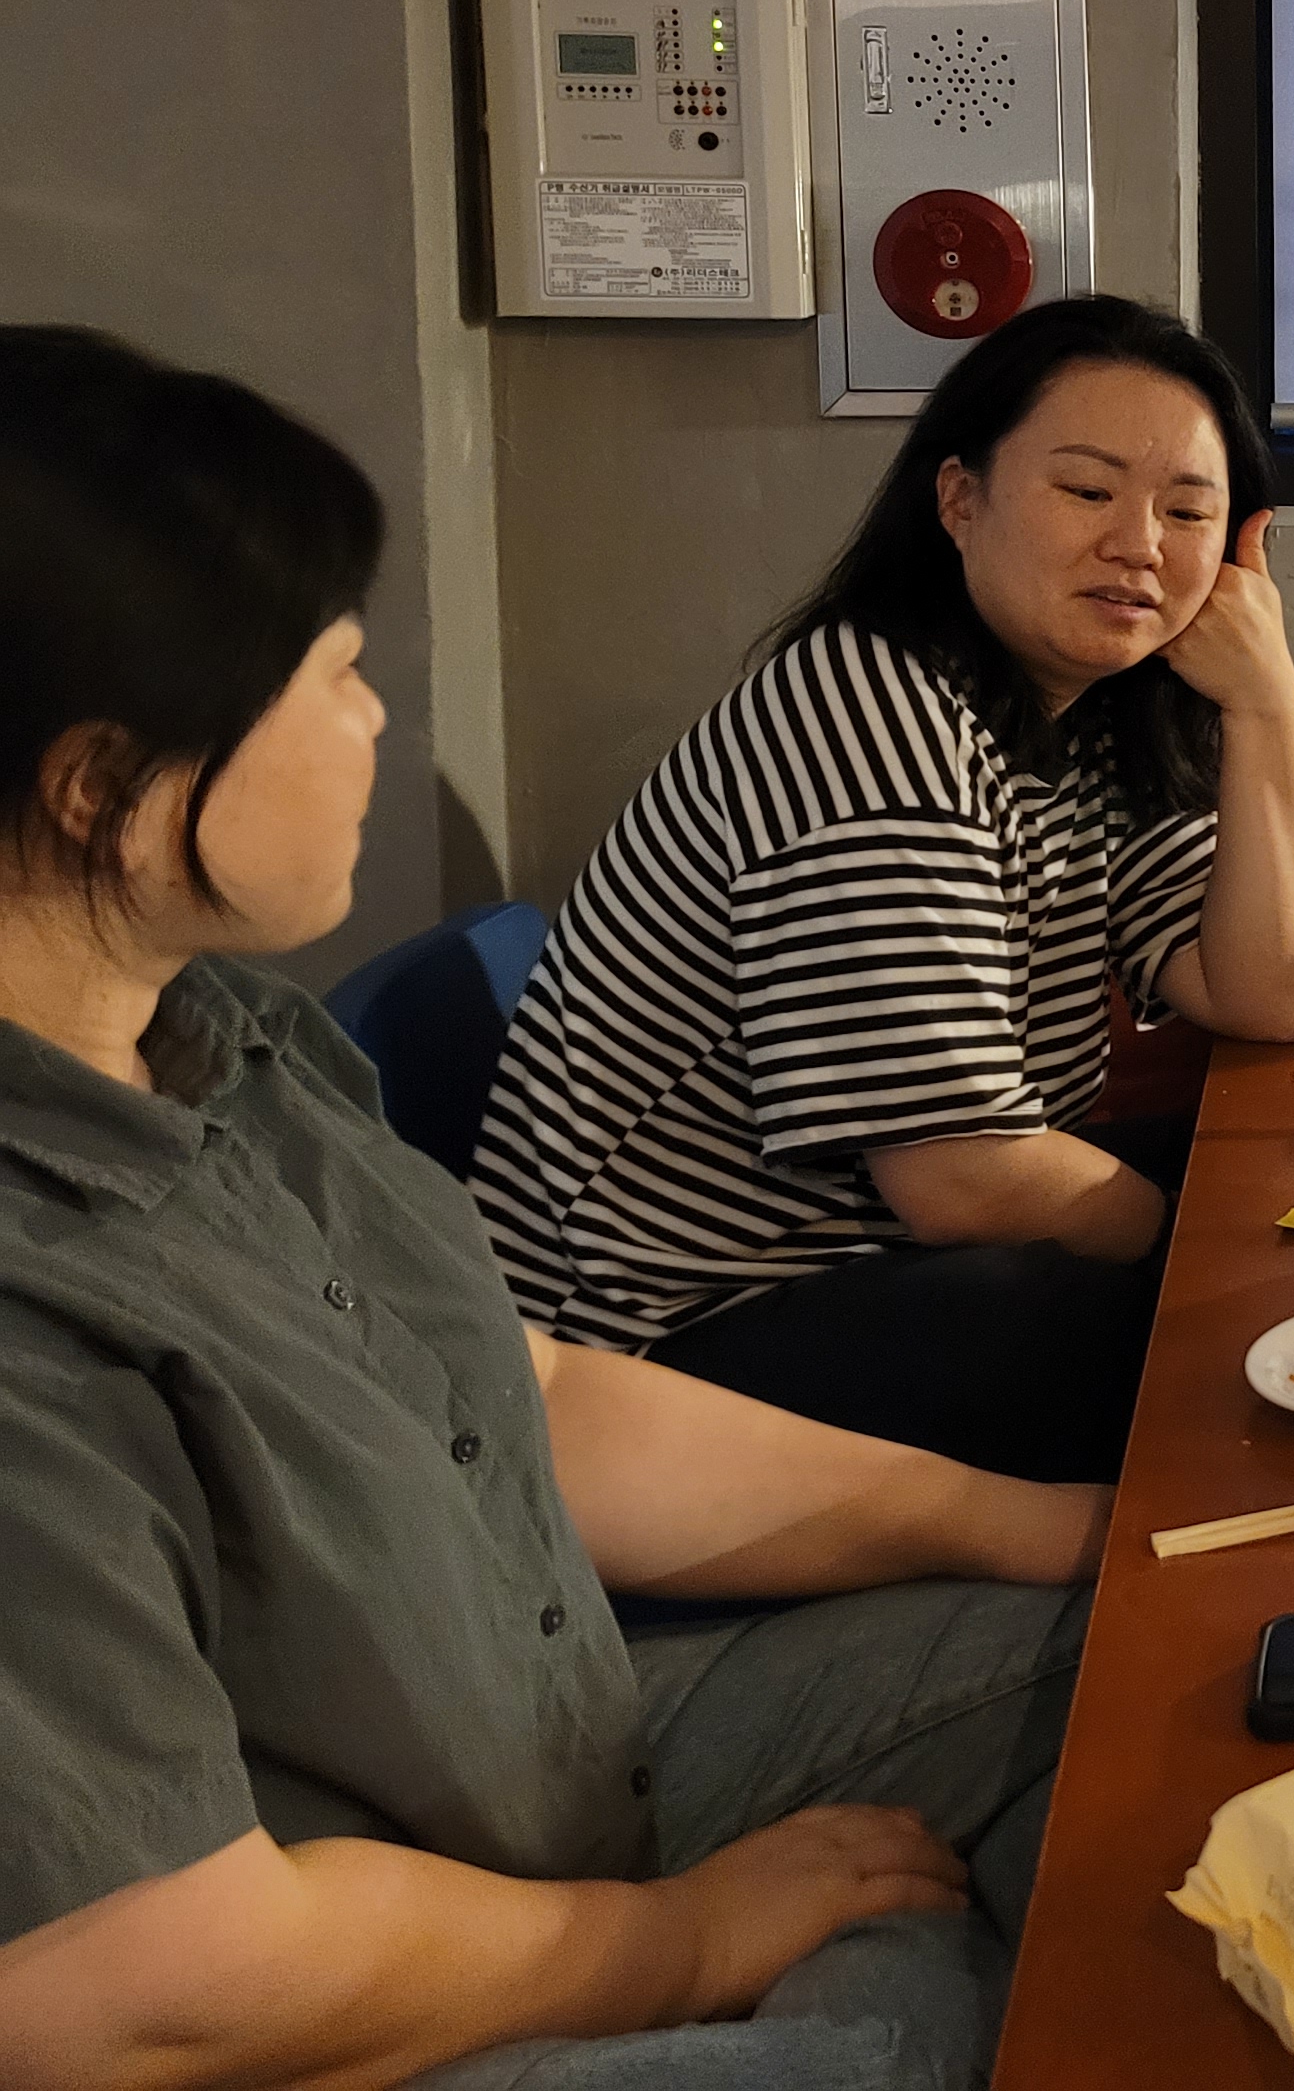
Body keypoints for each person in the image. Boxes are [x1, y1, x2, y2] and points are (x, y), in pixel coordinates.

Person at [0, 328, 1106, 2090]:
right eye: (334, 670)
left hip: (559, 1758)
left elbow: (533, 1404)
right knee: (931, 2015)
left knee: (1154, 1684)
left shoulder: (224, 1041)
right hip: (337, 1988)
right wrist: (684, 1943)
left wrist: (1034, 1526)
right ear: (101, 788)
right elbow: (155, 1984)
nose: (376, 717)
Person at [468, 298, 1294, 1482]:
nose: (1140, 543)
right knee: (1241, 1332)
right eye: (1087, 490)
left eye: (1188, 512)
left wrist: (1268, 698)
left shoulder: (1083, 710)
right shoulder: (867, 723)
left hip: (867, 1244)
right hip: (653, 1345)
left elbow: (1265, 991)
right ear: (960, 500)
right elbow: (961, 1177)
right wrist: (1199, 1244)